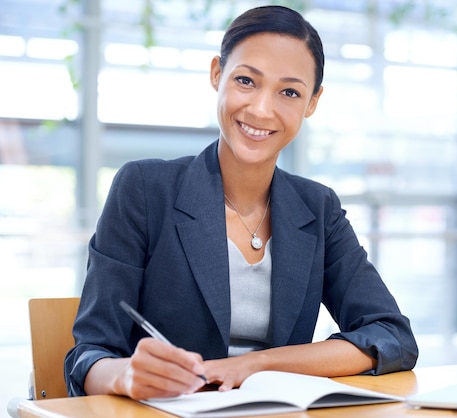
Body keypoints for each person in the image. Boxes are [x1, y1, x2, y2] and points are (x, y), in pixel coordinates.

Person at [64, 5, 418, 400]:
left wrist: (255, 364)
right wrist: (125, 375)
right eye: (247, 81)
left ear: (313, 102)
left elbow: (391, 336)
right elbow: (89, 354)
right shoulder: (145, 189)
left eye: (289, 92)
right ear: (217, 74)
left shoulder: (318, 209)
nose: (262, 109)